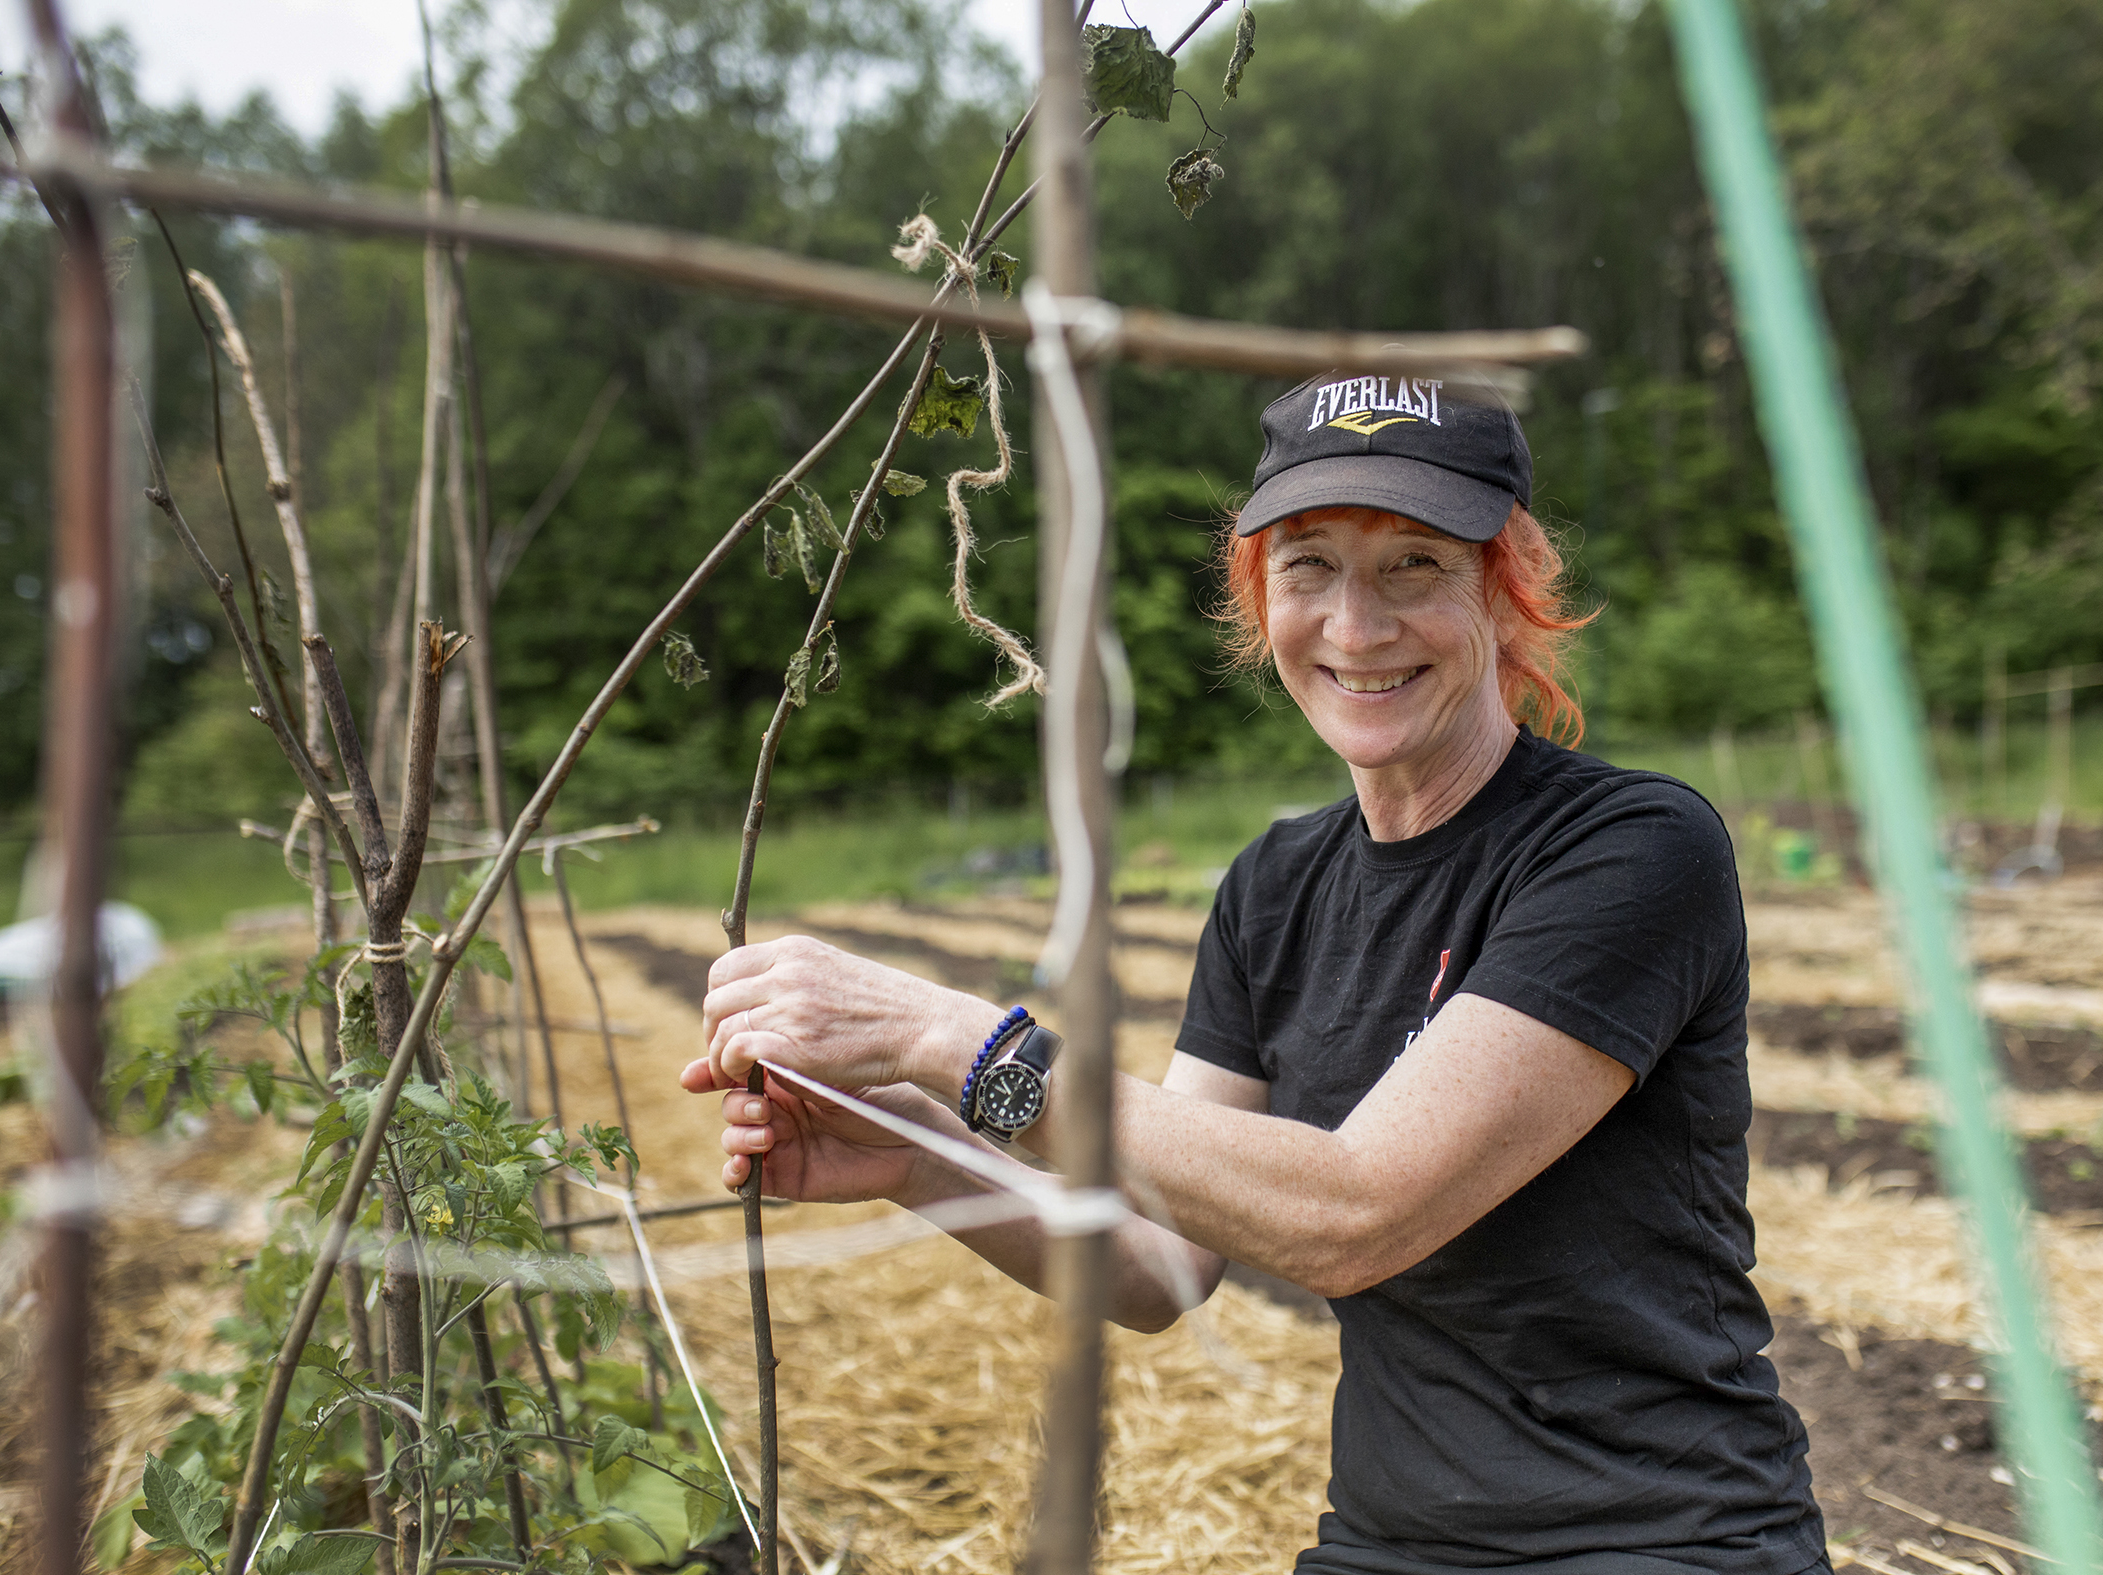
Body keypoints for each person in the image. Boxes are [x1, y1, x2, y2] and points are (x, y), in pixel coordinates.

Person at [682, 372, 1828, 1575]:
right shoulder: (1273, 887)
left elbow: (1356, 1215)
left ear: (1505, 590)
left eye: (1415, 567)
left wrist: (956, 1042)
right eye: (1309, 567)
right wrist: (919, 1151)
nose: (1355, 627)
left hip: (1659, 1539)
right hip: (1387, 1548)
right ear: (1257, 596)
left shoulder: (1629, 851)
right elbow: (1158, 1262)